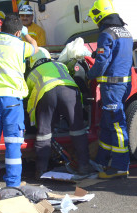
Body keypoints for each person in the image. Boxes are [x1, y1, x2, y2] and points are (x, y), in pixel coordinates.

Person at [0, 13, 37, 187]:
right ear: (18, 33)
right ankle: (12, 185)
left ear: (1, 29)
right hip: (12, 100)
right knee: (13, 143)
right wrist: (26, 33)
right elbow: (35, 46)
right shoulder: (20, 45)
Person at [85, 0, 134, 179]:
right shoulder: (125, 32)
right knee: (107, 123)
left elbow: (102, 63)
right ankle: (102, 161)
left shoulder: (106, 34)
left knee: (116, 125)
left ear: (99, 16)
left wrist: (90, 75)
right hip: (123, 84)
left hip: (111, 87)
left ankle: (120, 167)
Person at [25, 48, 91, 178]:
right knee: (77, 129)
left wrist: (33, 119)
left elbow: (29, 97)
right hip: (69, 92)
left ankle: (41, 170)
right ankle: (84, 166)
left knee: (44, 133)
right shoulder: (60, 65)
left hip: (47, 94)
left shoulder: (32, 73)